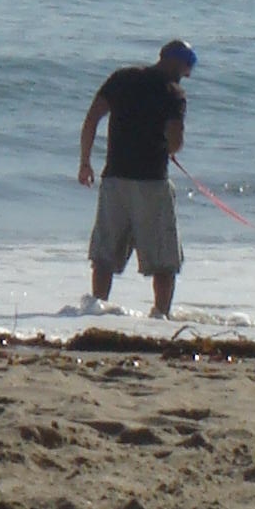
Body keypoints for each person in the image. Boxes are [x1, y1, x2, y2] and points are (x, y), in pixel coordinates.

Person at [77, 39, 196, 318]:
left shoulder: (122, 78)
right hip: (151, 182)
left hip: (115, 178)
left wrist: (85, 162)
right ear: (176, 61)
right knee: (164, 259)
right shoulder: (173, 93)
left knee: (105, 255)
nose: (188, 73)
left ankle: (96, 308)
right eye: (188, 64)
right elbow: (175, 142)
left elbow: (92, 119)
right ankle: (160, 315)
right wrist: (170, 147)